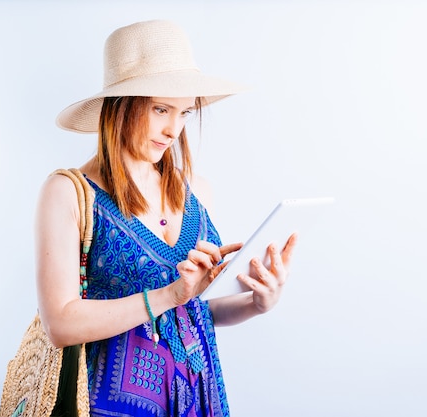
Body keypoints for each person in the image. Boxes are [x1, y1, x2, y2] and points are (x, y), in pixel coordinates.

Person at [35, 20, 297, 417]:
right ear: (121, 106)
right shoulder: (70, 192)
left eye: (184, 113)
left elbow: (192, 312)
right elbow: (60, 324)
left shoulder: (195, 190)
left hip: (199, 395)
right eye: (161, 109)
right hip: (114, 404)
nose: (173, 129)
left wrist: (256, 303)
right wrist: (169, 294)